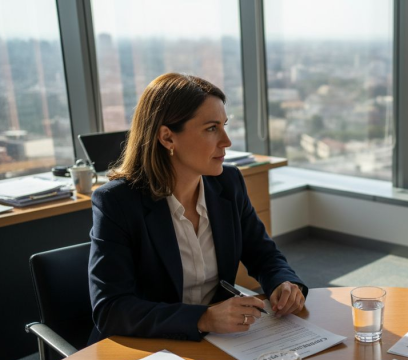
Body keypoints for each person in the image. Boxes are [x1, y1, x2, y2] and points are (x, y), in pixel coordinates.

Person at [88, 73, 307, 343]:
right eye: (211, 128)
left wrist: (284, 283)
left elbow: (263, 254)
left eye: (224, 125)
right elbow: (111, 309)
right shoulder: (117, 203)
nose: (226, 141)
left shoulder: (228, 183)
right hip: (146, 347)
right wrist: (202, 318)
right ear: (167, 138)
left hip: (215, 340)